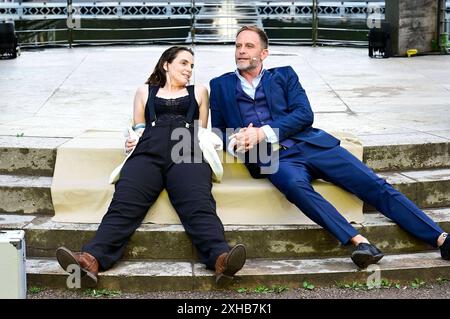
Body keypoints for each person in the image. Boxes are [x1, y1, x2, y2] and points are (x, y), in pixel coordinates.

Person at [209, 26, 449, 269]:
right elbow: (218, 130)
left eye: (249, 46)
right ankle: (359, 243)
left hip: (312, 145)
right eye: (238, 46)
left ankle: (440, 238)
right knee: (295, 187)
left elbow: (304, 114)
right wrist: (237, 141)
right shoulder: (220, 85)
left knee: (373, 184)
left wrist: (262, 132)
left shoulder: (284, 75)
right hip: (271, 158)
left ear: (264, 53)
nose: (241, 51)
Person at [56, 46, 246, 288]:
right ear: (166, 64)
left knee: (199, 205)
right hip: (147, 152)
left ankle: (221, 260)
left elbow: (202, 131)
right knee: (124, 204)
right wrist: (131, 141)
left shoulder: (199, 91)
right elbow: (137, 129)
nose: (189, 70)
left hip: (185, 150)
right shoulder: (144, 92)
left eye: (192, 66)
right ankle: (90, 261)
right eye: (184, 63)